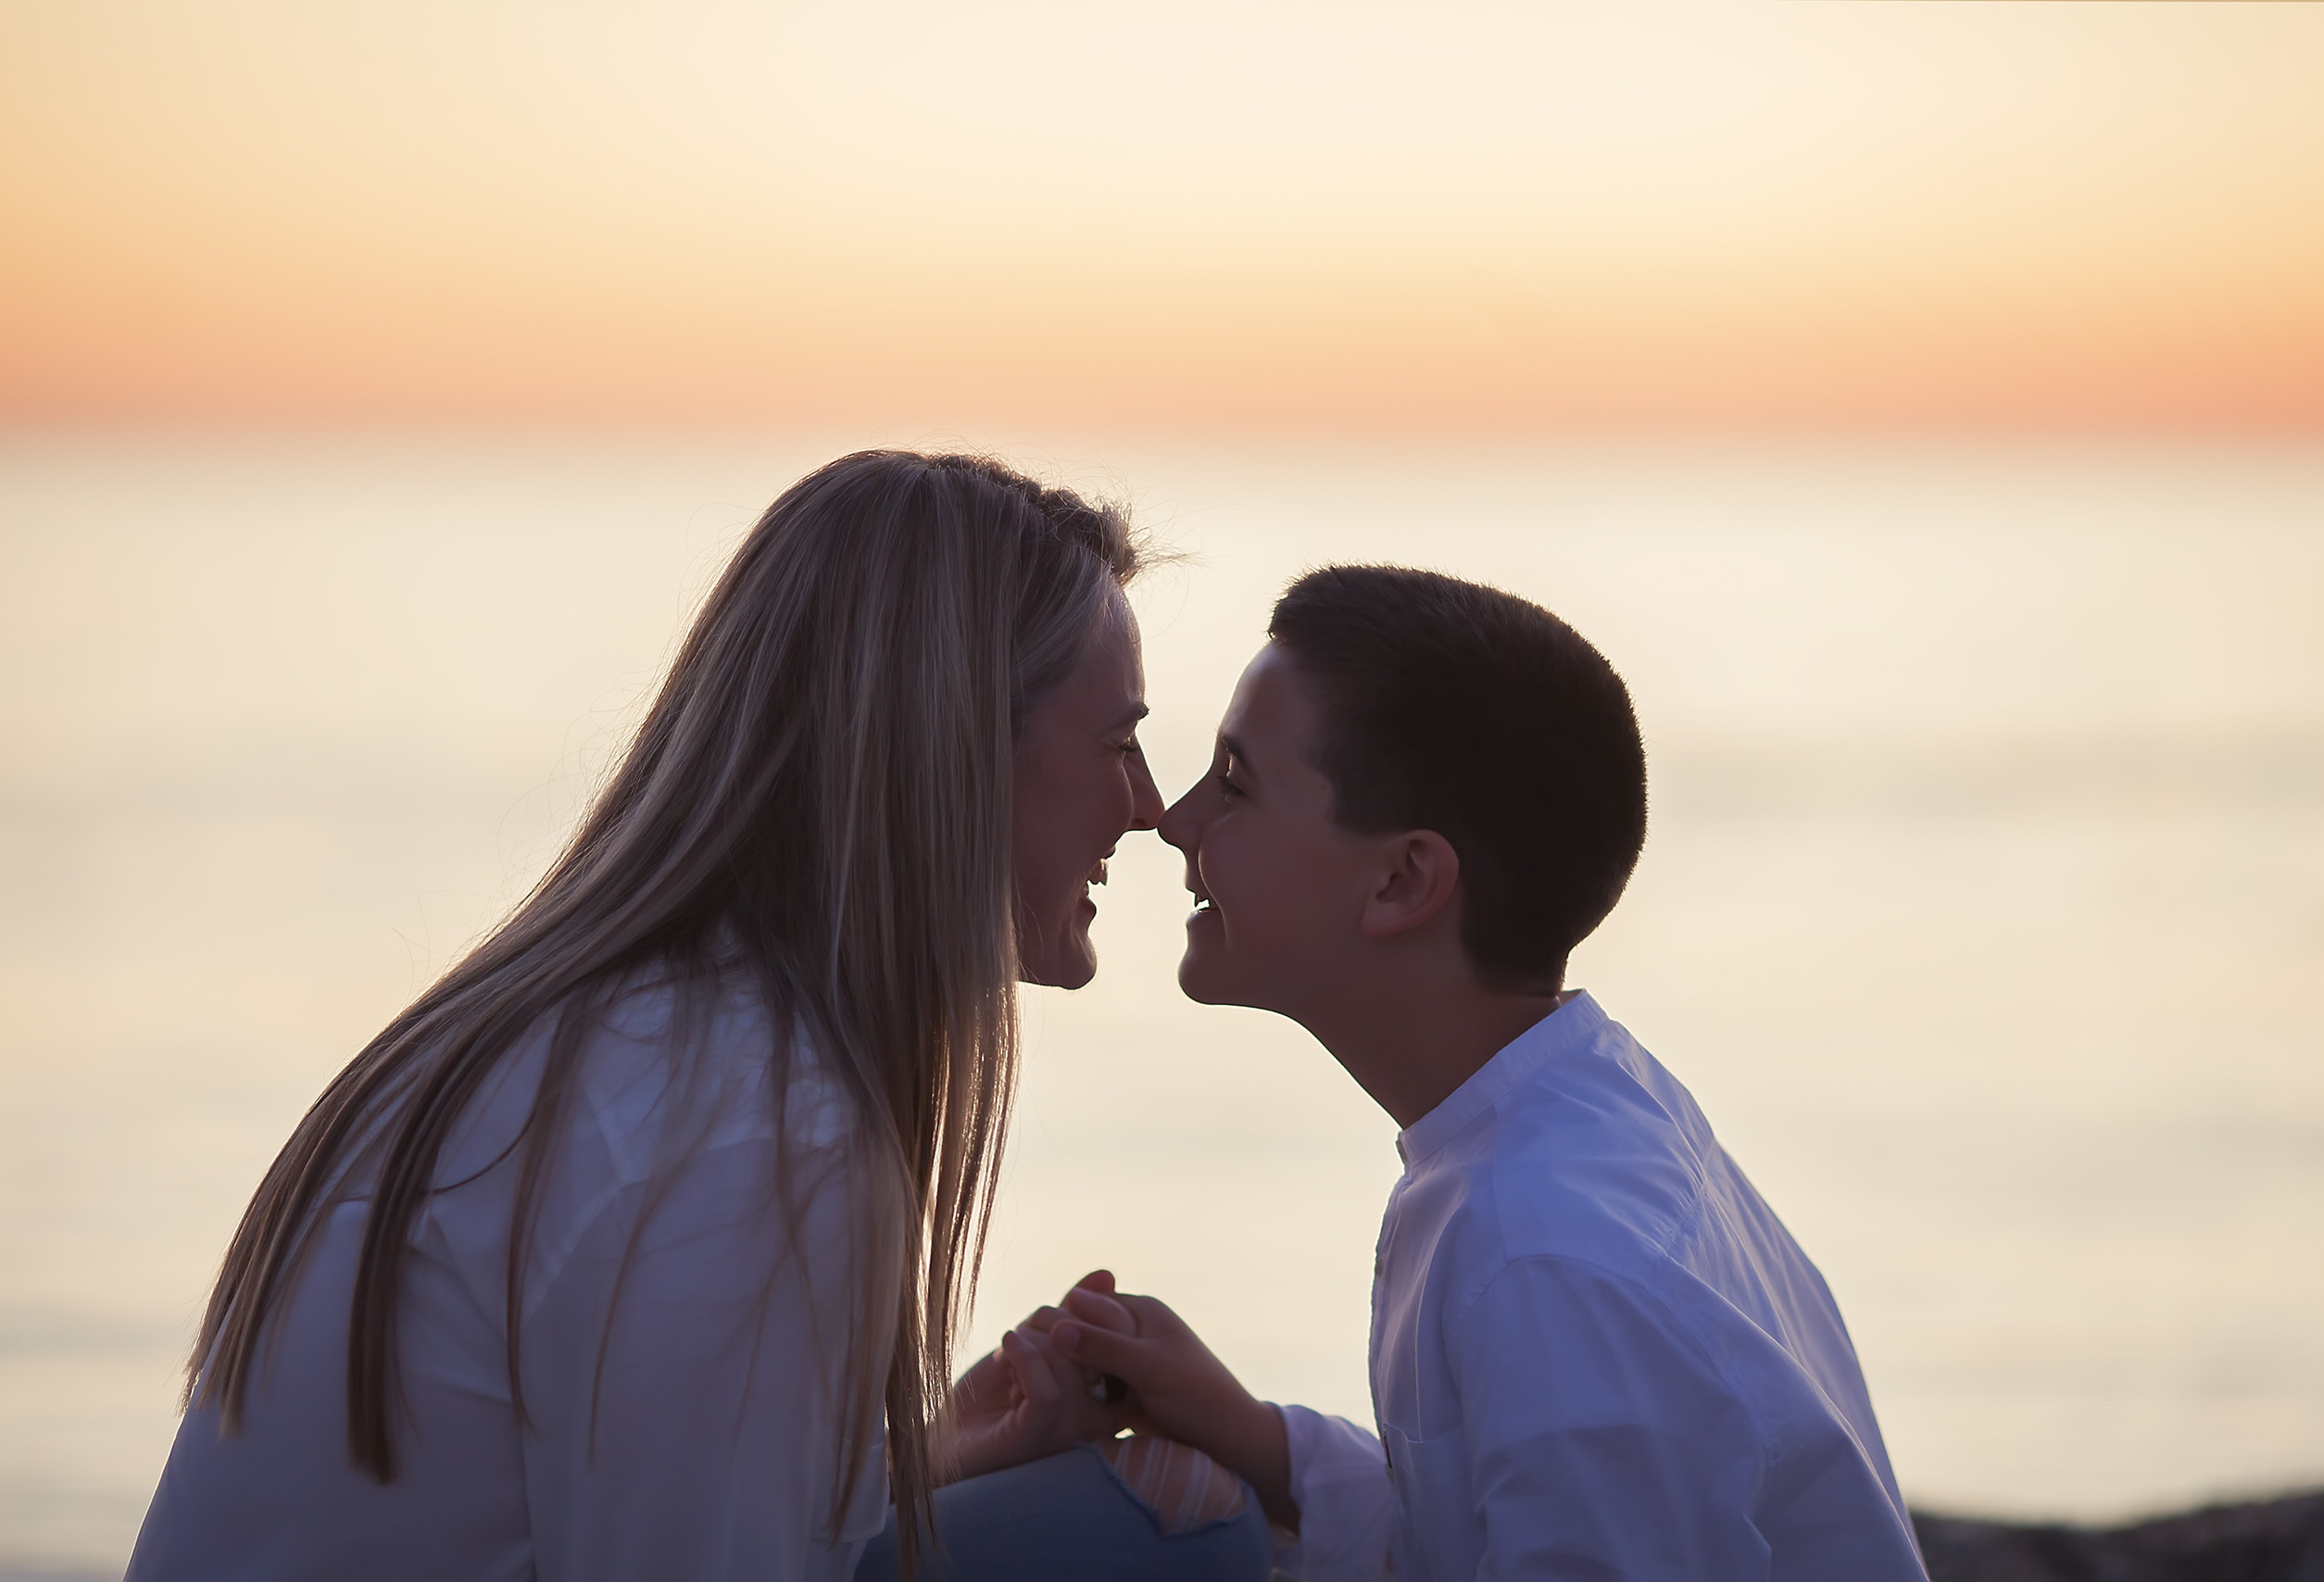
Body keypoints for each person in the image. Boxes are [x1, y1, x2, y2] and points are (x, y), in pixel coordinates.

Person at [128, 451, 1268, 1581]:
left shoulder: (613, 1034)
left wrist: (930, 1457)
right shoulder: (755, 1136)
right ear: (960, 750)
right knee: (1180, 1528)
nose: (1150, 808)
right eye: (1119, 742)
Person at [1042, 565, 1932, 1580]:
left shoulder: (1546, 1249)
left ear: (1402, 879)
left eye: (1235, 783)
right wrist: (1256, 1441)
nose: (1175, 819)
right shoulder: (1567, 1123)